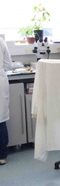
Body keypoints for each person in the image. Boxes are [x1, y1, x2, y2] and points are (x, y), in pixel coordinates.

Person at [0, 37, 12, 165]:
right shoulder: (1, 41)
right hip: (1, 81)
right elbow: (8, 64)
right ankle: (2, 155)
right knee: (0, 120)